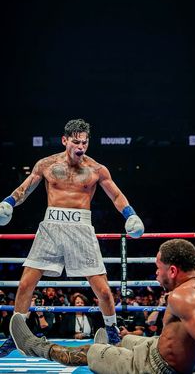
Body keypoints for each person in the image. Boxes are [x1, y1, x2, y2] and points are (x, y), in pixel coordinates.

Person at [0, 119, 144, 356]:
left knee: (104, 291)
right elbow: (25, 188)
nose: (81, 146)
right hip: (51, 226)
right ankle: (17, 335)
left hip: (82, 228)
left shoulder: (97, 170)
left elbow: (116, 196)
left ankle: (112, 333)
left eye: (85, 142)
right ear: (65, 140)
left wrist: (131, 215)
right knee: (26, 283)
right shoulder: (46, 164)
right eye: (76, 141)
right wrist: (8, 202)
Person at [9, 239, 195, 373]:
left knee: (91, 352)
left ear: (173, 271)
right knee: (126, 339)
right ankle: (114, 347)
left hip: (152, 368)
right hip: (157, 349)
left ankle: (33, 345)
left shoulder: (180, 297)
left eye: (159, 268)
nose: (156, 274)